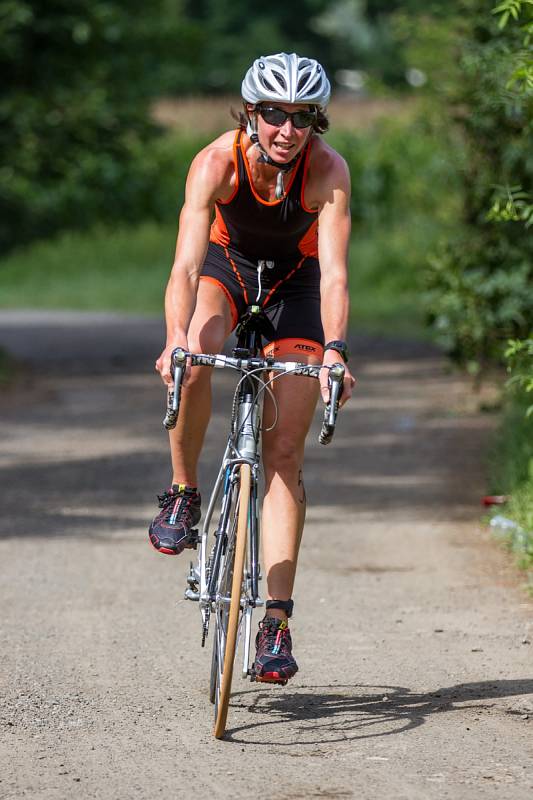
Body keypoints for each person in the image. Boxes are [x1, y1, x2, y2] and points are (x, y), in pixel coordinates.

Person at [149, 52, 355, 683]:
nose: (286, 130)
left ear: (315, 121)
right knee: (192, 362)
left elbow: (337, 273)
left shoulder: (328, 172)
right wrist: (174, 339)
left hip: (299, 284)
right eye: (273, 114)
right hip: (226, 269)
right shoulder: (216, 161)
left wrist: (336, 352)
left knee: (285, 452)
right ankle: (184, 492)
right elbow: (185, 265)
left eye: (301, 117)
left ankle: (275, 622)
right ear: (251, 113)